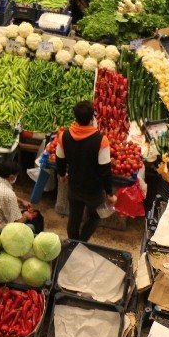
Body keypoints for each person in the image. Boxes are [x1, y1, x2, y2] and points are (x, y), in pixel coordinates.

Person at [56, 101, 115, 243]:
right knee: (95, 216)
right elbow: (105, 170)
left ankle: (73, 243)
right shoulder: (101, 140)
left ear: (75, 117)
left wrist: (63, 174)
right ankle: (82, 242)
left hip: (74, 185)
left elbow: (60, 159)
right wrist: (110, 193)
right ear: (91, 118)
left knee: (74, 217)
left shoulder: (64, 136)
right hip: (93, 190)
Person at [0, 159, 42, 230]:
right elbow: (17, 223)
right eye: (16, 175)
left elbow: (1, 195)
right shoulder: (9, 194)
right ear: (11, 177)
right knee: (32, 226)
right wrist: (25, 216)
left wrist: (21, 201)